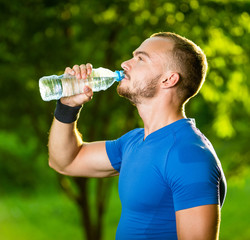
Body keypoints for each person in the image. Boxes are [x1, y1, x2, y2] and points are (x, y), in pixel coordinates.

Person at [48, 32, 226, 240]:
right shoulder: (133, 142)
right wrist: (67, 106)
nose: (125, 63)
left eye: (141, 59)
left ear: (169, 79)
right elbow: (64, 161)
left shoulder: (189, 156)